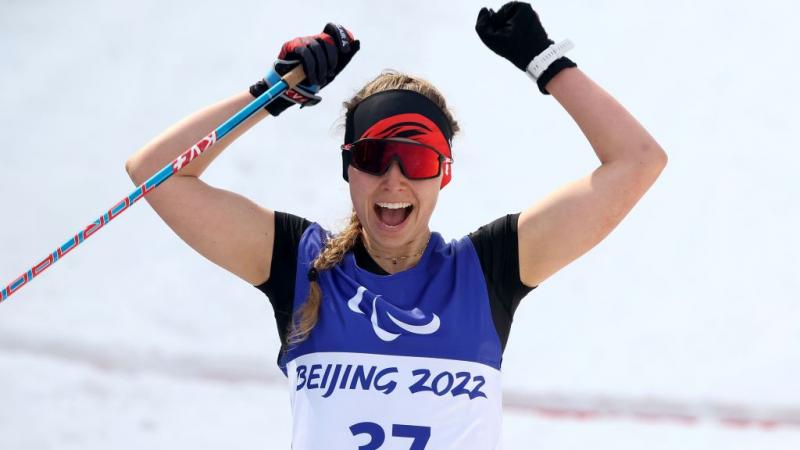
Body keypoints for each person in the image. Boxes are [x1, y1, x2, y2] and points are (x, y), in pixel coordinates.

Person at [125, 3, 667, 449]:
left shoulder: (487, 271)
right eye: (374, 155)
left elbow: (637, 161)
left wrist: (547, 63)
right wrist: (272, 92)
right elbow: (157, 175)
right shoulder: (304, 265)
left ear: (444, 175)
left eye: (419, 160)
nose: (393, 181)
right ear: (347, 167)